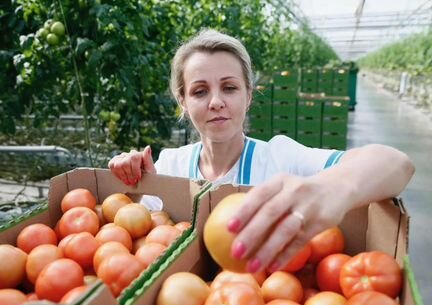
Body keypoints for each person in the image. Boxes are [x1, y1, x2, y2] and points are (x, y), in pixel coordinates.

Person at [108, 29, 415, 274]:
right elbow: (134, 239)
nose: (216, 101)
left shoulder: (280, 158)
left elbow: (397, 164)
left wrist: (331, 188)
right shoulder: (171, 164)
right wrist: (131, 187)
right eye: (200, 91)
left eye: (229, 87)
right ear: (183, 102)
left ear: (249, 96)